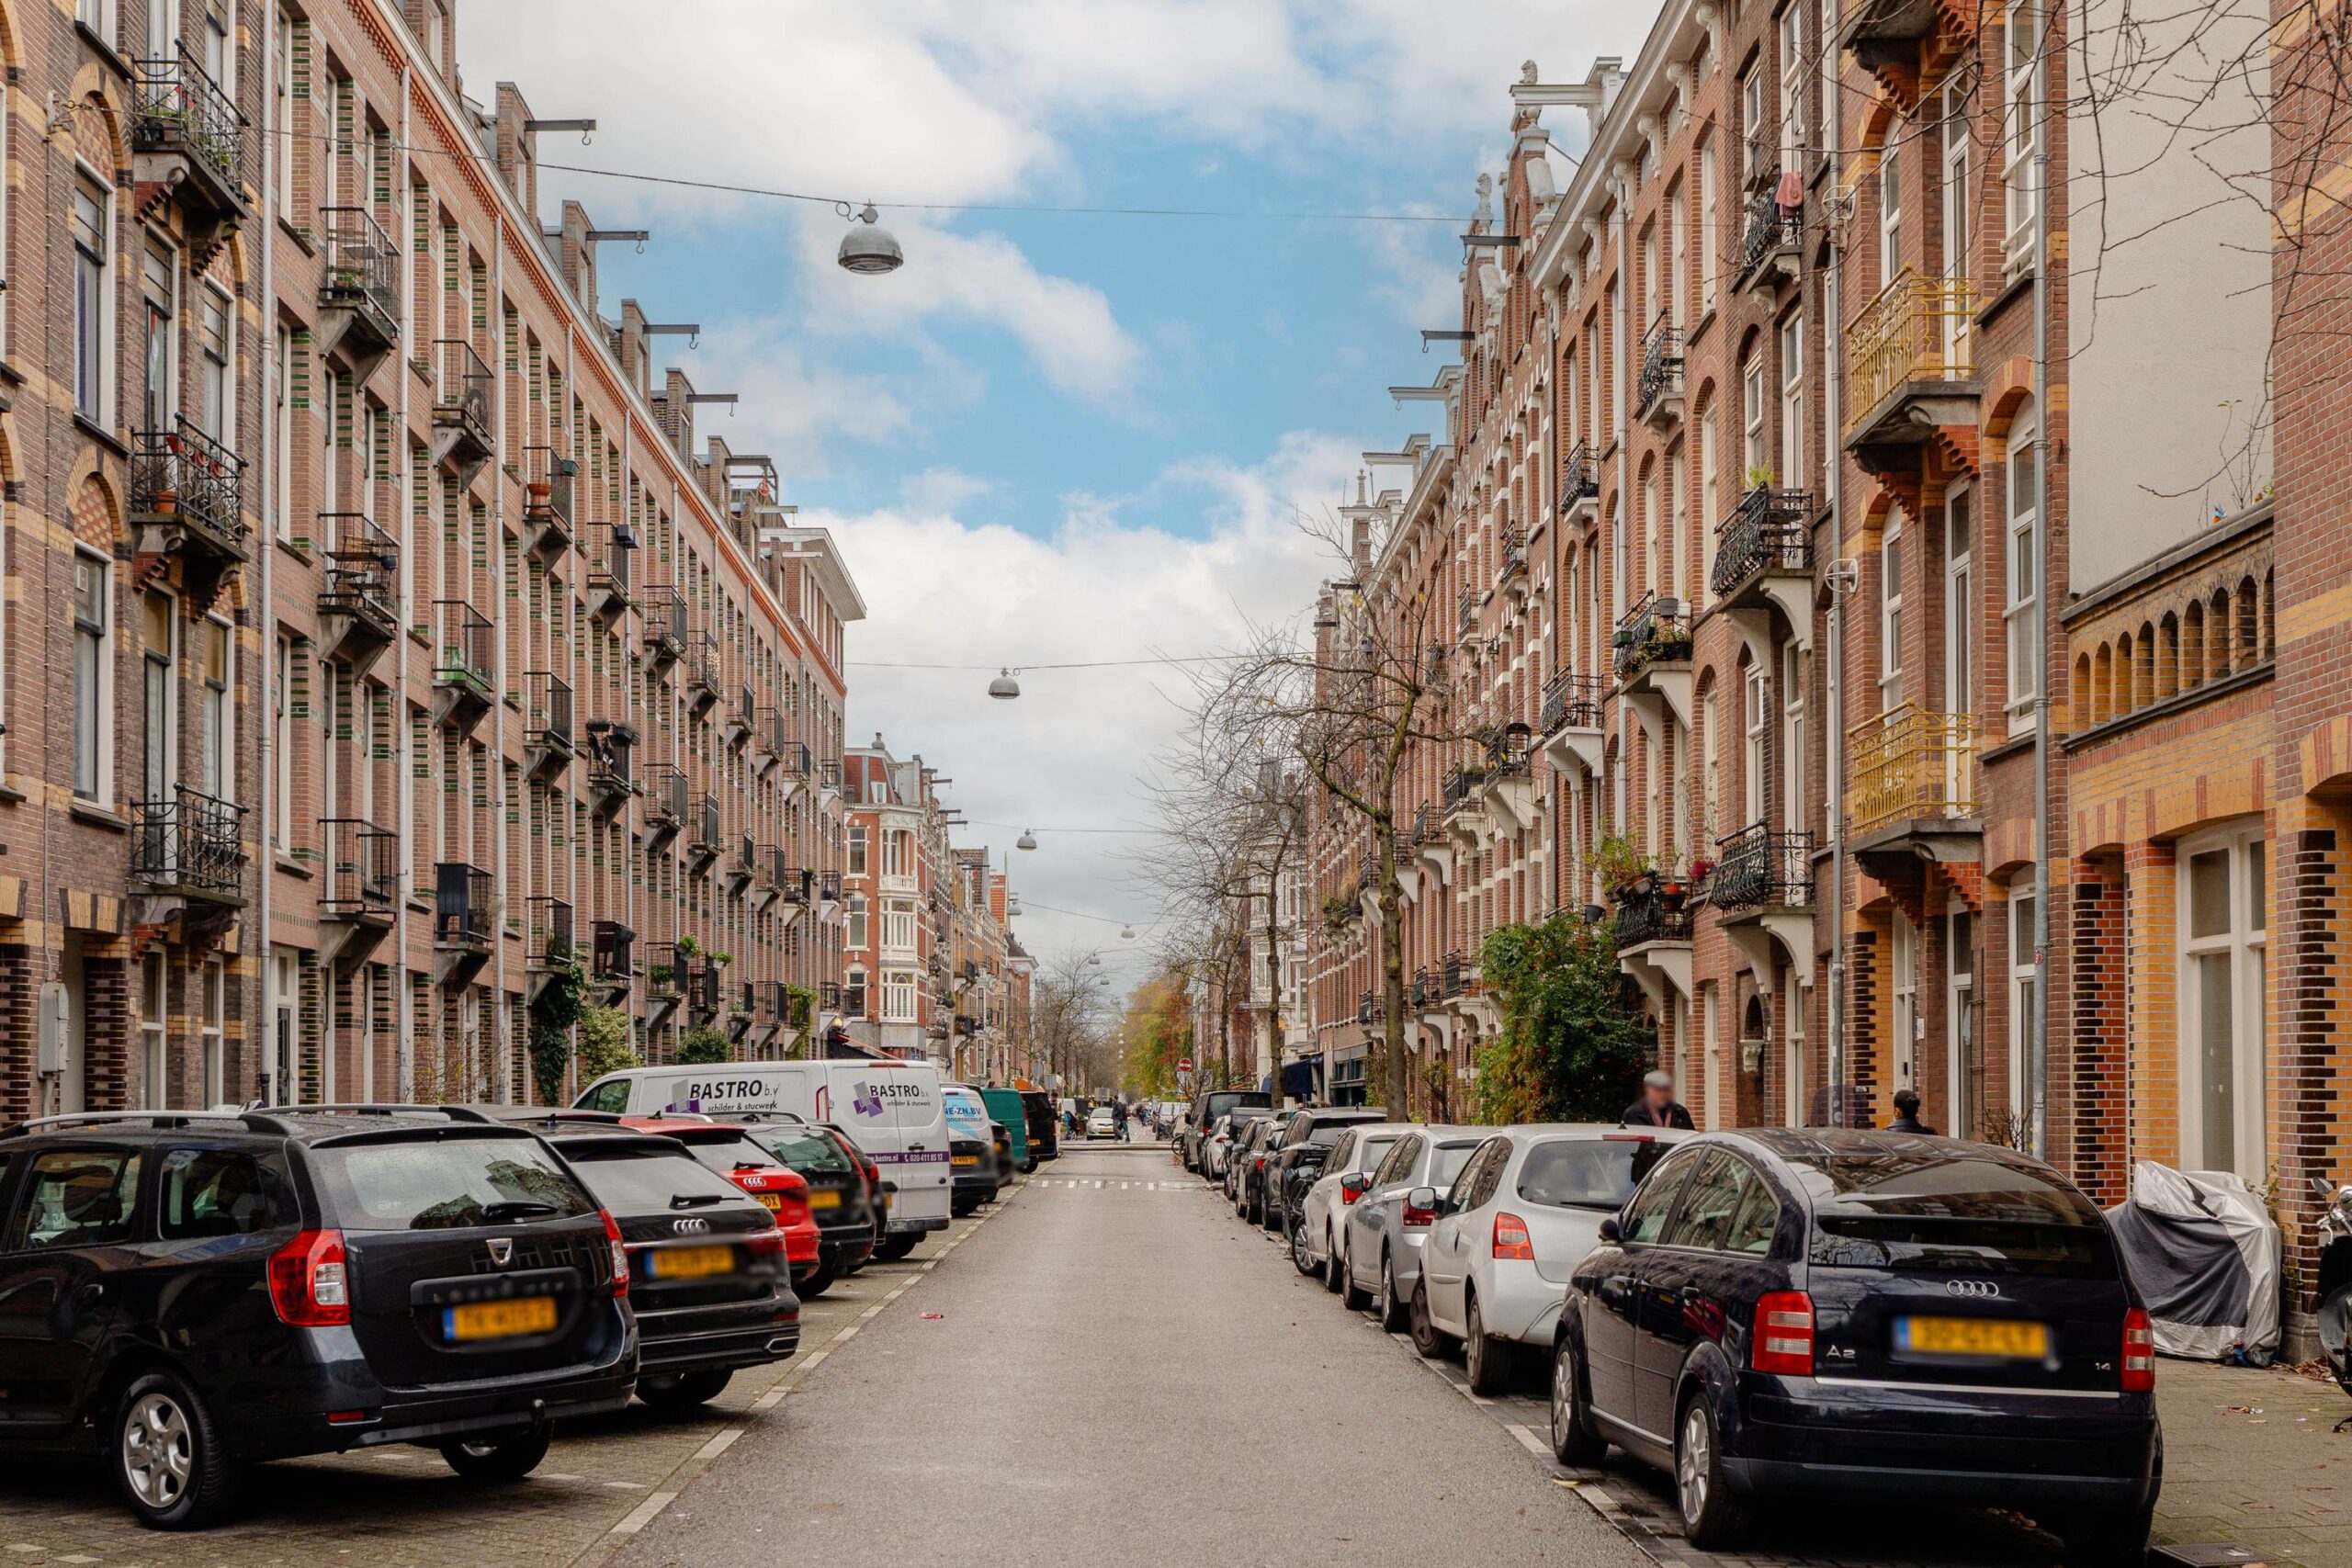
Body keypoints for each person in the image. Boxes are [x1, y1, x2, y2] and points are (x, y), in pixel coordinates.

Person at [1622, 1069, 1694, 1130]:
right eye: (1658, 1090)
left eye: (1665, 1090)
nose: (1662, 1094)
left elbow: (1690, 1141)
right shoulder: (1633, 1113)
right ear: (1647, 1090)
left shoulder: (1681, 1113)